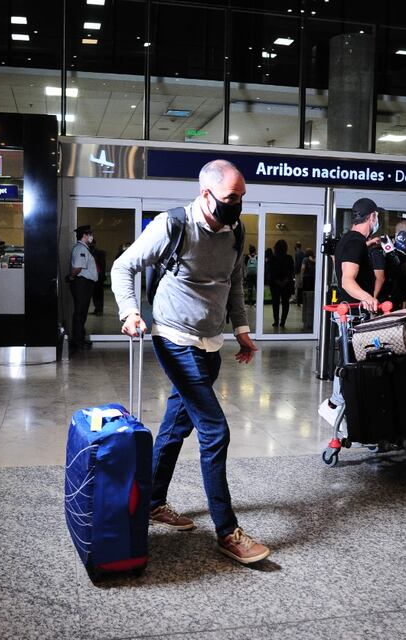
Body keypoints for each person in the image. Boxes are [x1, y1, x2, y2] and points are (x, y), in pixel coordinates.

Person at [110, 159, 268, 565]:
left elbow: (233, 284)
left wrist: (242, 329)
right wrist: (130, 312)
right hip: (174, 337)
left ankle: (153, 501)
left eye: (242, 197)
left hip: (210, 342)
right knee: (215, 432)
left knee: (175, 427)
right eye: (232, 198)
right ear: (206, 194)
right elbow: (124, 265)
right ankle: (227, 531)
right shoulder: (173, 224)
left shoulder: (236, 230)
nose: (238, 205)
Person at [326, 198, 382, 409]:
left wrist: (368, 245)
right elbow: (347, 281)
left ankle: (337, 404)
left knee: (348, 360)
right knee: (352, 362)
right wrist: (368, 298)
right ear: (372, 217)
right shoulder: (355, 241)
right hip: (352, 313)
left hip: (349, 311)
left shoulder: (350, 240)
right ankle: (337, 406)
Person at [67, 224, 98, 353]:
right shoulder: (80, 249)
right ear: (84, 236)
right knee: (80, 313)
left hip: (84, 284)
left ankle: (80, 338)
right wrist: (70, 277)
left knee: (82, 313)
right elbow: (77, 268)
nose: (91, 237)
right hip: (82, 284)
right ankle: (78, 341)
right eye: (89, 234)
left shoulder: (83, 248)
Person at [268, 239, 295, 328]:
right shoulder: (289, 258)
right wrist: (285, 281)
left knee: (275, 303)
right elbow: (291, 272)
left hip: (275, 284)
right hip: (286, 284)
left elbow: (270, 272)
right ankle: (283, 322)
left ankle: (276, 321)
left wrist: (277, 281)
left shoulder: (272, 258)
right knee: (285, 303)